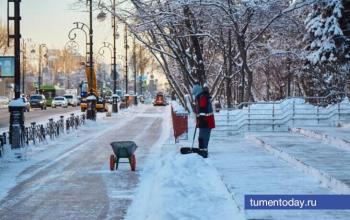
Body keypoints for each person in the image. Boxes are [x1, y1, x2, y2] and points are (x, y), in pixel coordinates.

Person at [194, 83, 215, 158]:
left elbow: (201, 109)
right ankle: (203, 149)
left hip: (204, 120)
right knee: (204, 135)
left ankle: (203, 149)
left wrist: (199, 118)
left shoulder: (200, 97)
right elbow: (202, 109)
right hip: (206, 120)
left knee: (203, 135)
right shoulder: (202, 97)